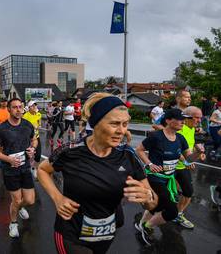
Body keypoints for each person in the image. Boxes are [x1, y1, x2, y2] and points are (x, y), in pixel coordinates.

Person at [38, 93, 158, 254]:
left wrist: (147, 198)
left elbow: (153, 202)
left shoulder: (127, 155)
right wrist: (57, 198)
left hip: (106, 235)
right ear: (95, 124)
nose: (121, 131)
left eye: (125, 124)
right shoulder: (72, 150)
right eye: (115, 124)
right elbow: (43, 170)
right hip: (71, 233)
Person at [135, 108, 205, 246]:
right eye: (180, 119)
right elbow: (139, 150)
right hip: (155, 177)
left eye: (184, 119)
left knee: (158, 205)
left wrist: (198, 152)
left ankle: (142, 223)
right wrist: (149, 164)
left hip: (169, 178)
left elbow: (188, 159)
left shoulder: (180, 138)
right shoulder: (156, 136)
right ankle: (146, 227)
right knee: (171, 211)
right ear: (168, 120)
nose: (183, 122)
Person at [0, 98, 37, 238]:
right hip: (10, 170)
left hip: (25, 167)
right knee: (16, 200)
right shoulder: (3, 128)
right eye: (15, 107)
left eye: (20, 107)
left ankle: (20, 207)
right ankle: (13, 223)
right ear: (9, 110)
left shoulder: (28, 125)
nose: (18, 110)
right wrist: (9, 159)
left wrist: (32, 149)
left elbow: (34, 139)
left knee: (30, 200)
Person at [172, 106, 206, 228]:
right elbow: (176, 150)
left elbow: (189, 146)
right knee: (163, 195)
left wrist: (198, 151)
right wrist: (187, 161)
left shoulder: (191, 128)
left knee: (188, 192)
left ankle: (178, 214)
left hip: (182, 167)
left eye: (200, 118)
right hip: (171, 167)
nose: (199, 120)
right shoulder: (179, 130)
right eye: (197, 118)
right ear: (187, 118)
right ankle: (146, 220)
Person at [23, 100, 42, 179]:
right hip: (27, 138)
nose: (35, 107)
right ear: (29, 107)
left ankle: (34, 169)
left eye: (35, 105)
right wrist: (30, 126)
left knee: (38, 155)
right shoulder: (25, 116)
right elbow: (23, 127)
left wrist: (38, 126)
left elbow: (39, 123)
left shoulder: (38, 114)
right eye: (33, 106)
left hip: (36, 137)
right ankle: (25, 170)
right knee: (26, 155)